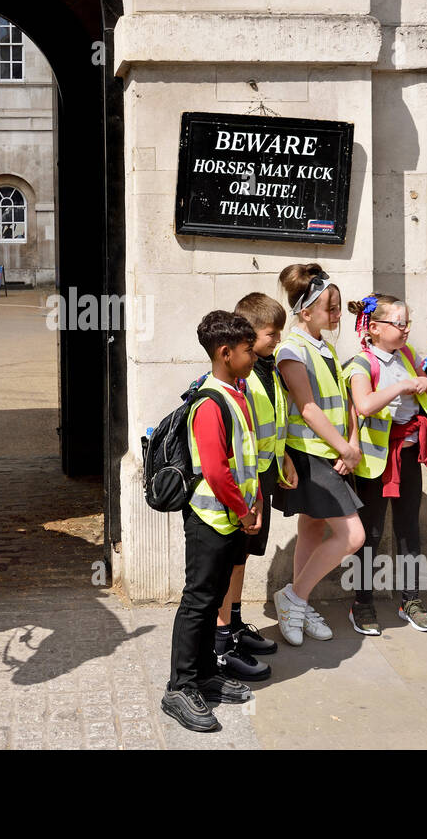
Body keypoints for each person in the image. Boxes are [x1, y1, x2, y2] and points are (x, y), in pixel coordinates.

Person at [161, 310, 262, 733]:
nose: (254, 357)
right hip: (211, 518)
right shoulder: (210, 402)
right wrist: (243, 511)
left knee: (213, 596)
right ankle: (179, 687)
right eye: (248, 351)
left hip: (230, 519)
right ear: (225, 353)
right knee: (198, 601)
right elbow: (217, 471)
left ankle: (203, 675)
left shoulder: (235, 392)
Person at [343, 293, 427, 635]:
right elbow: (364, 405)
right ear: (373, 328)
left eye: (408, 323)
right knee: (370, 534)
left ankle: (411, 599)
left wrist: (425, 383)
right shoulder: (361, 364)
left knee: (409, 530)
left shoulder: (408, 355)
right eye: (398, 323)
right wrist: (404, 385)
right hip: (375, 462)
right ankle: (362, 603)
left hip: (407, 454)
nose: (405, 330)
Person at [271, 264, 365, 646]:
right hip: (310, 454)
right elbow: (308, 408)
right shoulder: (291, 349)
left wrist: (352, 443)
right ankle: (293, 597)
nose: (337, 314)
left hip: (333, 452)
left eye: (338, 306)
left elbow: (344, 402)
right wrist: (344, 447)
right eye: (331, 307)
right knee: (352, 535)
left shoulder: (323, 345)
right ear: (305, 311)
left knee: (312, 526)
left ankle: (299, 600)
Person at [210, 293, 298, 681]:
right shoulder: (240, 378)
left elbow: (275, 424)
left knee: (242, 560)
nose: (276, 340)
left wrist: (284, 459)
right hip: (241, 486)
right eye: (270, 334)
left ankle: (236, 623)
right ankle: (221, 639)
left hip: (262, 477)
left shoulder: (269, 368)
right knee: (228, 561)